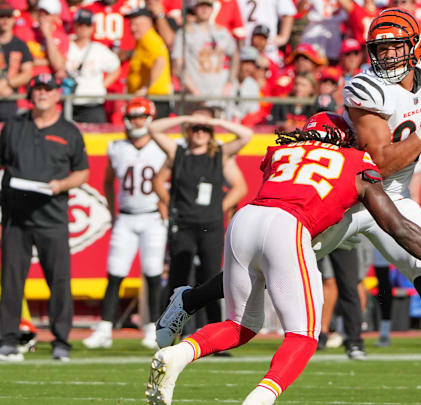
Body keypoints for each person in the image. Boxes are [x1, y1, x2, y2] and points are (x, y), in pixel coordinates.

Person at [154, 10, 421, 404]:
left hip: (395, 192)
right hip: (355, 187)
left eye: (395, 47)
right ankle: (190, 300)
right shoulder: (367, 87)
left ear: (415, 47)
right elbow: (378, 160)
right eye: (380, 49)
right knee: (273, 262)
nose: (389, 56)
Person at [0, 74, 89, 362]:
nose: (42, 94)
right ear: (31, 93)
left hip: (52, 218)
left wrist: (60, 185)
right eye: (38, 89)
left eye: (48, 89)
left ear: (57, 95)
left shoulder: (69, 131)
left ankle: (61, 341)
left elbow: (82, 171)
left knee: (59, 282)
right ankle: (7, 340)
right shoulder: (14, 126)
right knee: (12, 281)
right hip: (16, 218)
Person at [150, 107, 252, 335]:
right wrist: (187, 117)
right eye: (195, 128)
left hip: (211, 225)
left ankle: (214, 332)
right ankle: (172, 329)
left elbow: (246, 135)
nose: (199, 132)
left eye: (204, 129)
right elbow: (153, 129)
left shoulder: (220, 155)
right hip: (183, 224)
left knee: (212, 278)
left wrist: (215, 120)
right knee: (179, 277)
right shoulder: (178, 153)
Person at [82, 97, 167, 350]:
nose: (136, 121)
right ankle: (105, 328)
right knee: (115, 272)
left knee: (153, 273)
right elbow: (108, 181)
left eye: (141, 116)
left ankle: (153, 328)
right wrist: (112, 209)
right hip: (127, 216)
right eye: (132, 117)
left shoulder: (161, 147)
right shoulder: (117, 146)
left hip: (153, 216)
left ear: (150, 118)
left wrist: (166, 208)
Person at [171, 0, 238, 107]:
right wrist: (194, 91)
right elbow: (177, 66)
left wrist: (230, 82)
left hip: (220, 97)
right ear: (195, 8)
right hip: (196, 98)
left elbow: (235, 55)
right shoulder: (184, 33)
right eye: (201, 5)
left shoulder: (222, 32)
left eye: (207, 6)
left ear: (212, 9)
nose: (204, 9)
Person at [66, 8, 121, 123]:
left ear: (92, 28)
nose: (83, 28)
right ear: (74, 25)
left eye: (87, 25)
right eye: (80, 24)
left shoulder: (99, 49)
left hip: (93, 105)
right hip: (69, 103)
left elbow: (116, 68)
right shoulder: (66, 45)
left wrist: (101, 86)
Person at [126, 8, 172, 118]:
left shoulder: (150, 39)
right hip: (148, 98)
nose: (133, 28)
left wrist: (145, 88)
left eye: (136, 24)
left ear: (149, 23)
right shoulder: (142, 41)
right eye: (131, 24)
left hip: (154, 99)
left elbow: (160, 62)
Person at [0, 0, 33, 122]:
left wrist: (7, 84)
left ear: (13, 19)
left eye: (8, 17)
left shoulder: (20, 45)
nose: (5, 21)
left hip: (12, 101)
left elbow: (27, 73)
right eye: (1, 16)